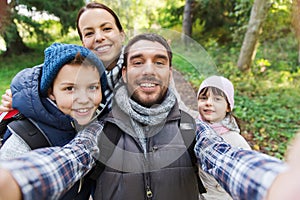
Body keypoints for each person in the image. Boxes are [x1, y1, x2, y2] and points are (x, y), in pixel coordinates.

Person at [0, 33, 299, 200]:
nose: (148, 70)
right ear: (125, 71)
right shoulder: (100, 128)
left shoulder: (191, 126)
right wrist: (14, 180)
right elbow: (68, 160)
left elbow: (225, 158)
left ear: (170, 71)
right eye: (138, 61)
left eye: (159, 61)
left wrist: (274, 183)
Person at [0, 42, 108, 160]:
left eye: (92, 87)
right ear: (51, 92)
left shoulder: (102, 117)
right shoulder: (23, 143)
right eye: (70, 88)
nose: (84, 99)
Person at [196, 75, 251, 199]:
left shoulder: (235, 141)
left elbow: (247, 179)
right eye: (203, 98)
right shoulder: (192, 131)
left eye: (217, 99)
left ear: (228, 106)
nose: (209, 103)